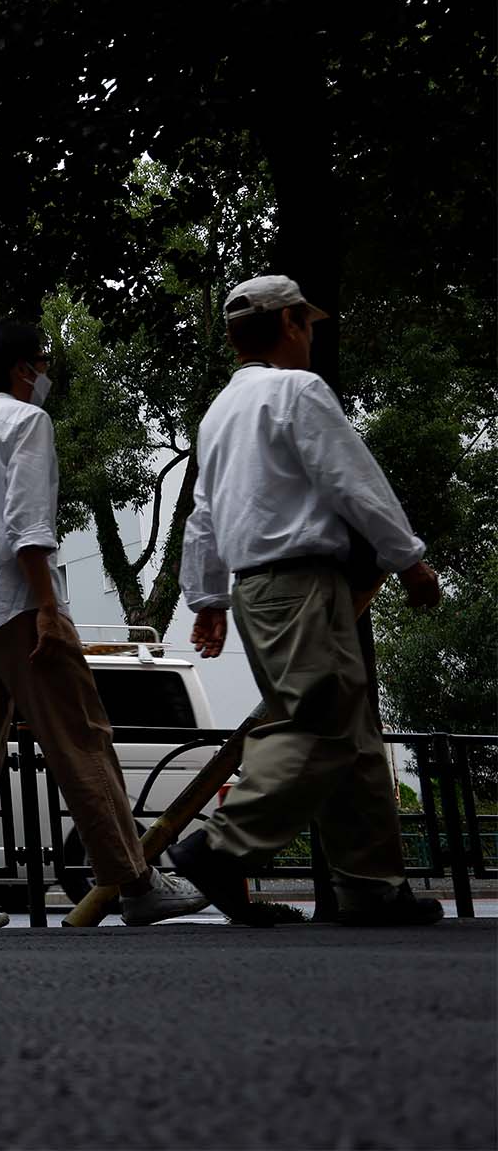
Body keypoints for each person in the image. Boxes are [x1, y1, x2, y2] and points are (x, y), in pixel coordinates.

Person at [0, 320, 207, 929]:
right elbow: (28, 524)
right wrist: (48, 605)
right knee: (80, 741)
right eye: (41, 364)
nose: (44, 376)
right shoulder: (26, 423)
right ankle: (134, 882)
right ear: (23, 369)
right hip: (19, 606)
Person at [167, 275, 445, 926]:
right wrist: (408, 560)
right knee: (320, 719)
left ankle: (370, 886)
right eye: (309, 325)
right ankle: (220, 847)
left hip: (254, 591)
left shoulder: (219, 413)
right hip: (300, 583)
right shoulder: (297, 391)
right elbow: (353, 481)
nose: (312, 337)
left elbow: (203, 515)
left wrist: (207, 598)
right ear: (291, 323)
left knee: (352, 730)